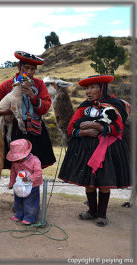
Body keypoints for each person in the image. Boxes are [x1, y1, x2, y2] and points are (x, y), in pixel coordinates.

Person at [58, 75, 130, 227]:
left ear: (102, 88)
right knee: (88, 182)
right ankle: (92, 211)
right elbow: (71, 128)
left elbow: (118, 129)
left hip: (107, 150)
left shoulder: (114, 105)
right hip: (85, 148)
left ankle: (102, 215)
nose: (88, 92)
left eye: (92, 88)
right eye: (87, 89)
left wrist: (98, 127)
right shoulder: (84, 107)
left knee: (104, 183)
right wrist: (83, 133)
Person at [0, 51, 56, 169]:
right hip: (13, 131)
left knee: (34, 166)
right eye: (26, 68)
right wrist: (7, 112)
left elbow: (45, 107)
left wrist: (33, 96)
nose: (30, 72)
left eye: (33, 69)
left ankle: (33, 187)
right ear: (19, 67)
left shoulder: (39, 85)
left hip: (35, 131)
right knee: (16, 167)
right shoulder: (6, 85)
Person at [7, 139, 42, 225]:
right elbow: (13, 173)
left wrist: (29, 178)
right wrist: (11, 183)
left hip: (32, 186)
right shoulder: (15, 163)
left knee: (30, 201)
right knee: (18, 200)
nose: (17, 159)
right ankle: (19, 214)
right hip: (19, 186)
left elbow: (38, 173)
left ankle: (30, 217)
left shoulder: (35, 161)